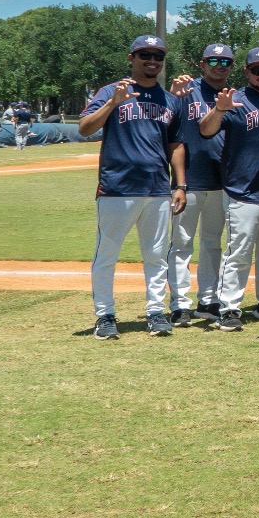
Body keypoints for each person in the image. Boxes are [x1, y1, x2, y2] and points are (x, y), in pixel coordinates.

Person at [78, 34, 181, 338]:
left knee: (156, 255)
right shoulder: (112, 91)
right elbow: (85, 128)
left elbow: (176, 145)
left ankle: (155, 312)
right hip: (117, 188)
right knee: (107, 254)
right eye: (145, 55)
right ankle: (105, 315)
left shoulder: (170, 101)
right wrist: (112, 104)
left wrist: (180, 185)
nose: (152, 61)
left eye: (158, 56)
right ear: (131, 58)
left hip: (158, 189)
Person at [199, 48, 259, 328]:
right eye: (258, 70)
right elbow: (206, 131)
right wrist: (219, 109)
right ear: (247, 72)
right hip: (243, 190)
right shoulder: (236, 99)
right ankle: (229, 306)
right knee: (239, 252)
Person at [168, 42, 234, 324]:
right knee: (181, 244)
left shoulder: (233, 95)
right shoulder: (186, 91)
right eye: (213, 61)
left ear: (232, 67)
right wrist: (180, 183)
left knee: (212, 244)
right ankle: (180, 302)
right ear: (202, 63)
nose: (219, 66)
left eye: (225, 62)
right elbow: (173, 136)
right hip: (189, 182)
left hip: (221, 182)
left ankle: (208, 299)